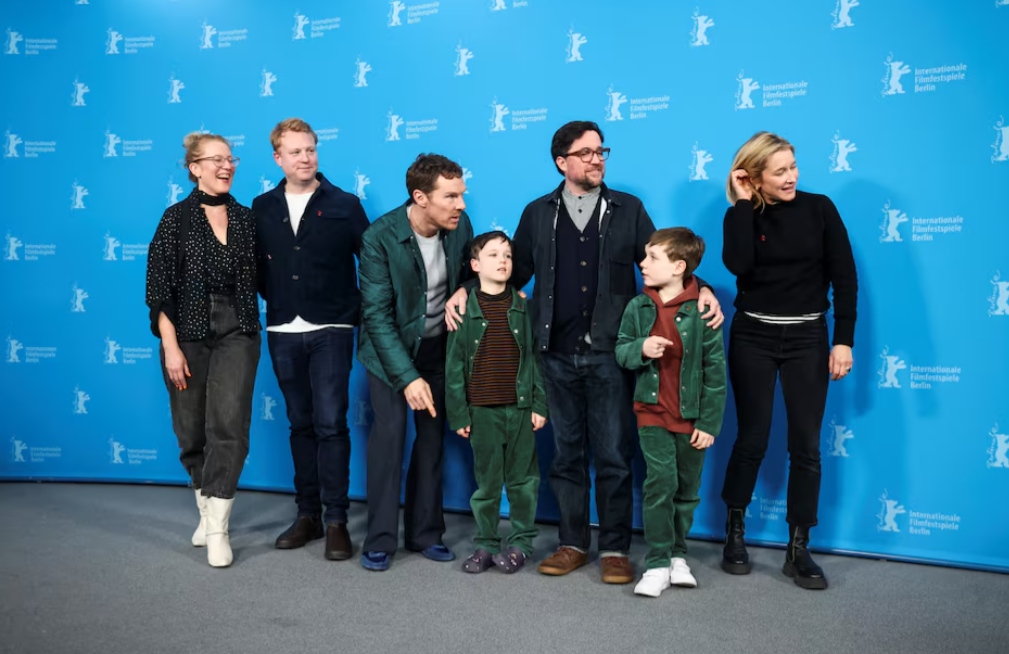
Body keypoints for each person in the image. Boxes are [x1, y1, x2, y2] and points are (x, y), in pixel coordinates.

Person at [446, 121, 724, 584]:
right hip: (551, 356)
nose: (598, 159)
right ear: (563, 162)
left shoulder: (628, 210)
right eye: (588, 152)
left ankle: (615, 548)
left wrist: (703, 290)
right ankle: (573, 543)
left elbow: (666, 262)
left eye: (602, 152)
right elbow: (511, 273)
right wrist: (465, 289)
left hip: (611, 357)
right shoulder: (537, 213)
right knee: (567, 456)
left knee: (614, 455)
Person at [719, 131, 857, 590]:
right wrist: (742, 204)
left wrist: (843, 341)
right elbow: (738, 265)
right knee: (752, 437)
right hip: (753, 335)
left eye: (794, 167)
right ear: (753, 177)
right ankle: (734, 533)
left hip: (808, 337)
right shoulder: (741, 214)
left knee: (806, 445)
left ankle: (798, 549)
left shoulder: (820, 208)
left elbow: (845, 277)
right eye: (780, 171)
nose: (792, 177)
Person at [253, 118, 370, 561]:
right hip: (283, 328)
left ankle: (337, 519)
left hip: (333, 328)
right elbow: (258, 272)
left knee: (330, 423)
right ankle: (308, 515)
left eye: (311, 149)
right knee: (299, 423)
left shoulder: (345, 203)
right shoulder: (261, 207)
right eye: (296, 151)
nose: (306, 158)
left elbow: (372, 261)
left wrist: (355, 309)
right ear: (278, 157)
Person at [146, 132, 260, 568]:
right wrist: (170, 348)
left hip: (239, 328)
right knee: (190, 429)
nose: (226, 166)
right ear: (194, 168)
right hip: (186, 331)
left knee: (229, 423)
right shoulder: (174, 219)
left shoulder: (248, 219)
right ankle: (204, 508)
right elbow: (158, 289)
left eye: (230, 159)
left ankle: (218, 528)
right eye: (216, 160)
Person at [356, 154, 474, 571]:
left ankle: (425, 533)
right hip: (389, 352)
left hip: (439, 350)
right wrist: (407, 378)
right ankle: (380, 539)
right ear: (421, 197)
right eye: (451, 196)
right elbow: (377, 317)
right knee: (389, 441)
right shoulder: (379, 238)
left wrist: (466, 288)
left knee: (431, 443)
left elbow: (472, 274)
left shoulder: (459, 228)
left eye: (461, 194)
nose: (461, 204)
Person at [614, 228, 726, 597]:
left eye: (652, 258)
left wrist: (709, 422)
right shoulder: (638, 306)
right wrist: (641, 348)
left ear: (679, 266)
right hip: (651, 413)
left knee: (687, 491)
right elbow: (621, 351)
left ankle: (679, 554)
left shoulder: (702, 311)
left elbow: (715, 373)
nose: (642, 264)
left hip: (692, 418)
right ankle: (658, 562)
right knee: (660, 484)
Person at [445, 231, 548, 574]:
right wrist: (459, 412)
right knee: (487, 484)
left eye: (507, 255)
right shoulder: (463, 311)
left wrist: (538, 405)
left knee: (523, 482)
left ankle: (520, 543)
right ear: (475, 265)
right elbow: (455, 366)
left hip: (519, 410)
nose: (503, 261)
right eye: (493, 255)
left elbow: (534, 360)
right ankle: (486, 544)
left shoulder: (523, 307)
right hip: (482, 411)